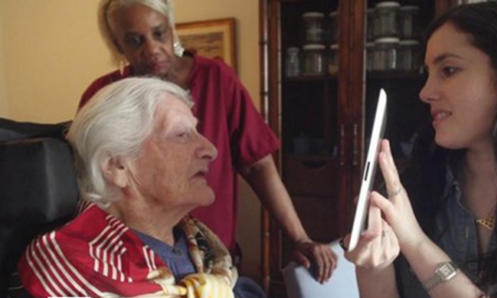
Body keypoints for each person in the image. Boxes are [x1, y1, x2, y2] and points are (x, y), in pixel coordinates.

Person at [79, 0, 336, 283]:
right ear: (118, 45)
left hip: (213, 263)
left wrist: (299, 237)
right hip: (136, 268)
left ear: (171, 28)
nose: (152, 49)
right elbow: (89, 185)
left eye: (159, 33)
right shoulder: (105, 97)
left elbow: (258, 166)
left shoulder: (217, 79)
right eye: (135, 40)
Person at [17, 77, 270, 297]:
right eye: (182, 134)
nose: (211, 150)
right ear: (118, 166)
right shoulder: (68, 272)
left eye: (196, 131)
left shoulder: (205, 247)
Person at [344, 1, 497, 297]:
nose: (425, 92)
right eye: (428, 73)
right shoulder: (416, 188)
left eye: (449, 69)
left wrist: (414, 241)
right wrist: (374, 265)